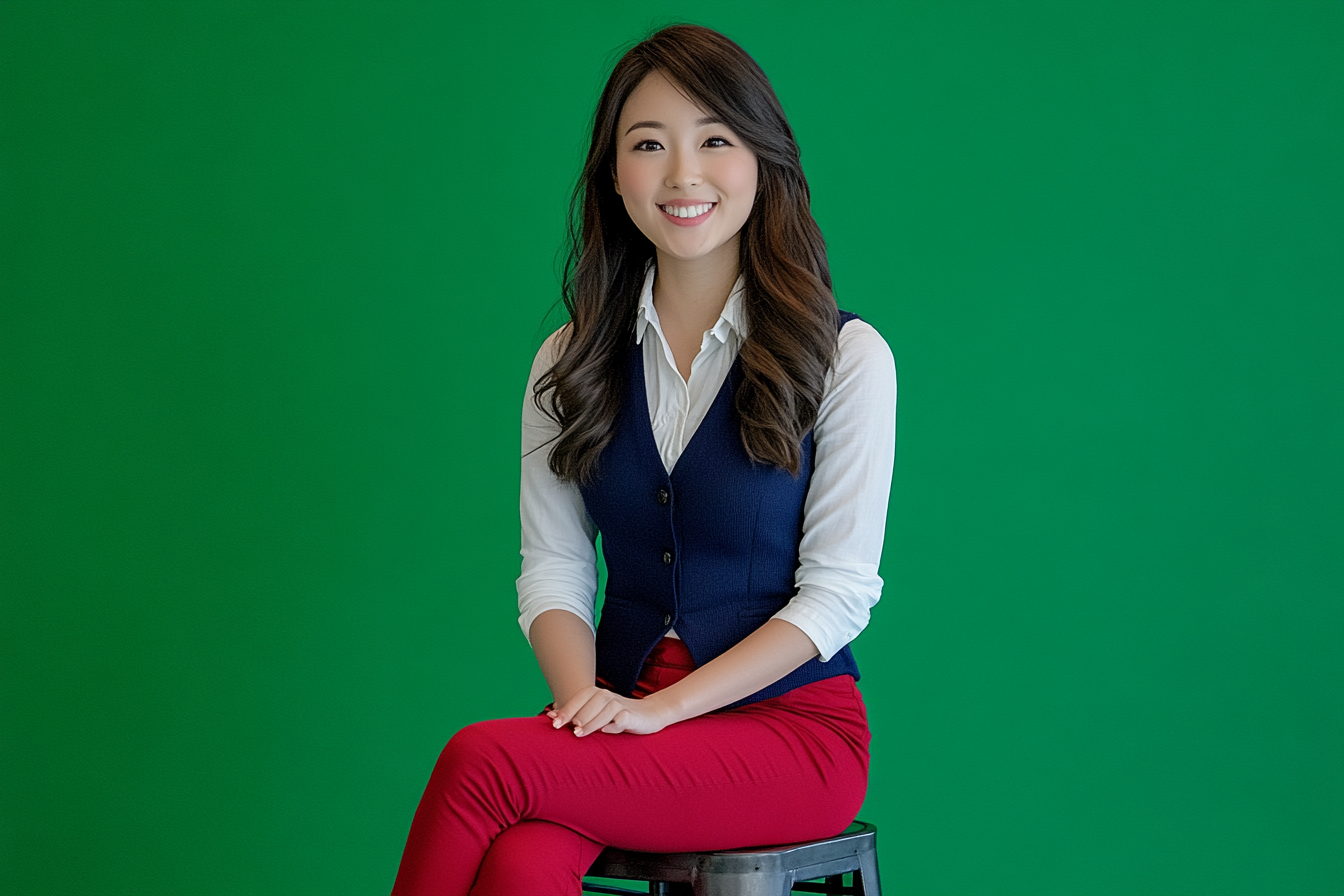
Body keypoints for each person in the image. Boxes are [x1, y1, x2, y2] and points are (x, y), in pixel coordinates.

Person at [391, 23, 896, 896]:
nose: (682, 175)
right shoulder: (567, 358)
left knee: (483, 762)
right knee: (520, 859)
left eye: (714, 142)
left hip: (790, 734)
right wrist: (587, 707)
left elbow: (837, 595)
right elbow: (551, 568)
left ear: (763, 161)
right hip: (622, 712)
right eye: (648, 144)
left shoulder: (847, 358)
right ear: (613, 172)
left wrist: (657, 713)